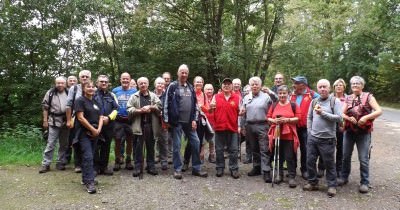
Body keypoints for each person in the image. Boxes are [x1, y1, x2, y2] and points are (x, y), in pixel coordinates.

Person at [162, 64, 208, 179]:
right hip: (176, 122)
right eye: (181, 72)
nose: (183, 74)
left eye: (185, 73)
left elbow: (196, 105)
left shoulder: (190, 87)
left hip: (189, 122)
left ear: (188, 74)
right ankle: (177, 169)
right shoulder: (172, 86)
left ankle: (196, 168)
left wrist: (194, 119)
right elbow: (166, 103)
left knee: (196, 142)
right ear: (178, 73)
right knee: (177, 146)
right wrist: (166, 120)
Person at [338, 76, 382, 194]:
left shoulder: (368, 97)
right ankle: (344, 177)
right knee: (345, 156)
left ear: (362, 85)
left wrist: (366, 117)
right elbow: (341, 113)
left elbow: (379, 111)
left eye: (358, 83)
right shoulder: (348, 98)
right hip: (349, 131)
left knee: (363, 158)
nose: (355, 85)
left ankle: (364, 182)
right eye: (353, 83)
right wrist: (349, 118)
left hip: (363, 132)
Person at [302, 79, 342, 197]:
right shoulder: (314, 101)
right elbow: (309, 117)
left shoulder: (335, 101)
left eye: (325, 87)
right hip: (313, 138)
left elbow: (340, 118)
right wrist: (309, 132)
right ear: (317, 89)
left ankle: (331, 186)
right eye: (320, 87)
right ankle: (313, 182)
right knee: (310, 161)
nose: (322, 89)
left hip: (328, 139)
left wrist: (323, 113)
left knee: (329, 163)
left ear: (329, 88)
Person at [240, 76, 273, 183]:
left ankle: (266, 171)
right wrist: (242, 125)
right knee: (254, 148)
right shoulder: (246, 97)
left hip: (263, 125)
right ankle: (257, 167)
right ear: (250, 86)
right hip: (249, 125)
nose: (254, 86)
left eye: (256, 84)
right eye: (252, 84)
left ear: (260, 85)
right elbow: (243, 112)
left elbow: (275, 105)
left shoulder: (267, 97)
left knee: (264, 149)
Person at [127, 77, 162, 177]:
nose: (143, 85)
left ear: (148, 84)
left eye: (144, 83)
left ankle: (151, 166)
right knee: (138, 148)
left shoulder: (153, 96)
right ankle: (138, 167)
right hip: (139, 126)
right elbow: (129, 109)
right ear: (138, 85)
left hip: (151, 125)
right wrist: (140, 111)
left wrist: (151, 107)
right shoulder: (134, 96)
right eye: (141, 83)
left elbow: (159, 106)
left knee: (150, 147)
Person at [267, 85, 300, 188]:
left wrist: (287, 120)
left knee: (289, 156)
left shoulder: (293, 105)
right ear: (278, 94)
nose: (282, 95)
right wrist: (274, 120)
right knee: (278, 156)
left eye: (284, 93)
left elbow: (298, 118)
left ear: (288, 94)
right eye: (280, 93)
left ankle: (291, 177)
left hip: (289, 134)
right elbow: (268, 117)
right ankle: (279, 175)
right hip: (276, 134)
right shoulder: (274, 104)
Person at [74, 80, 103, 194]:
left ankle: (85, 178)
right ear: (83, 89)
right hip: (83, 133)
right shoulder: (80, 101)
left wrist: (98, 130)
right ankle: (90, 182)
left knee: (90, 156)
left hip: (95, 133)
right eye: (88, 87)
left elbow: (101, 116)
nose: (91, 88)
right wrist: (92, 129)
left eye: (92, 87)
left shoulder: (96, 102)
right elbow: (80, 118)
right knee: (88, 156)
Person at [209, 78, 240, 179]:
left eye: (228, 84)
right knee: (219, 149)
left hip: (232, 127)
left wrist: (240, 125)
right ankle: (220, 167)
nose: (226, 86)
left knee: (234, 150)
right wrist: (210, 107)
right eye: (224, 84)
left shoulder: (237, 98)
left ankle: (234, 168)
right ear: (221, 86)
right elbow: (210, 111)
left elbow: (241, 112)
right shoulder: (216, 97)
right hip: (219, 127)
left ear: (232, 86)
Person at [289, 76, 320, 179]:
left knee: (305, 149)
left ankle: (305, 170)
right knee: (292, 149)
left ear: (302, 85)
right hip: (293, 126)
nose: (293, 85)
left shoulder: (312, 94)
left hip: (305, 127)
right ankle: (292, 170)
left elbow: (323, 102)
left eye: (296, 83)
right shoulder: (291, 94)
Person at [39, 76, 69, 173]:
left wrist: (70, 120)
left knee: (63, 144)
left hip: (65, 121)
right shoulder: (50, 93)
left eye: (62, 83)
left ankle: (60, 162)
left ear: (65, 84)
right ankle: (46, 164)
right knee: (51, 143)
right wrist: (45, 120)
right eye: (58, 83)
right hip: (53, 121)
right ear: (55, 83)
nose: (60, 85)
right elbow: (45, 107)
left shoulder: (69, 92)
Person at [66, 69, 92, 173]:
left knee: (89, 140)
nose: (84, 78)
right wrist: (68, 120)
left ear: (90, 77)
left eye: (86, 76)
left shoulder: (92, 87)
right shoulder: (74, 88)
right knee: (76, 141)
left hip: (90, 119)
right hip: (76, 119)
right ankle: (78, 164)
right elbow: (68, 105)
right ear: (79, 78)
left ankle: (89, 163)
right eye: (82, 77)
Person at [183, 76, 210, 169]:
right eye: (197, 82)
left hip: (201, 121)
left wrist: (203, 107)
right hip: (190, 121)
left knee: (199, 143)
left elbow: (207, 109)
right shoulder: (189, 93)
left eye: (200, 82)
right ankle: (186, 162)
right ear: (194, 83)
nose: (199, 83)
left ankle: (196, 163)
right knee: (191, 142)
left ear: (203, 84)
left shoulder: (204, 95)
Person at [93, 75, 118, 175]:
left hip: (108, 125)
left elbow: (116, 109)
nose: (104, 83)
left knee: (106, 146)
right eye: (101, 81)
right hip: (94, 125)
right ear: (97, 83)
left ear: (108, 84)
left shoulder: (111, 95)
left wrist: (109, 118)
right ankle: (95, 168)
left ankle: (104, 167)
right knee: (94, 146)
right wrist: (98, 119)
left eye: (106, 82)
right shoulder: (92, 94)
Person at [112, 72, 137, 171]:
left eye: (127, 79)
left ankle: (128, 160)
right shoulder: (115, 91)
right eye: (123, 79)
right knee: (117, 140)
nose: (125, 80)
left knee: (129, 141)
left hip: (130, 120)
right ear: (120, 79)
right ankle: (117, 160)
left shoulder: (134, 91)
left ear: (130, 80)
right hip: (118, 120)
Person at [153, 77, 169, 170]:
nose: (160, 85)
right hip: (152, 121)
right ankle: (152, 160)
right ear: (155, 84)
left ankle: (164, 161)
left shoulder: (167, 95)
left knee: (164, 141)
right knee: (152, 141)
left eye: (162, 84)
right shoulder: (150, 95)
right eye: (158, 83)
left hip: (163, 122)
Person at [203, 83, 216, 163]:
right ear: (204, 90)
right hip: (203, 122)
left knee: (212, 140)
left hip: (213, 122)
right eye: (208, 89)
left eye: (211, 89)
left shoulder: (215, 98)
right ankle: (201, 156)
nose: (209, 91)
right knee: (202, 140)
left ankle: (212, 155)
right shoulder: (201, 98)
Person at [240, 85, 252, 164]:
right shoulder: (244, 99)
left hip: (257, 123)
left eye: (249, 90)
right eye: (246, 90)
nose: (247, 92)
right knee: (248, 142)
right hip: (247, 123)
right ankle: (249, 157)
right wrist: (242, 126)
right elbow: (242, 115)